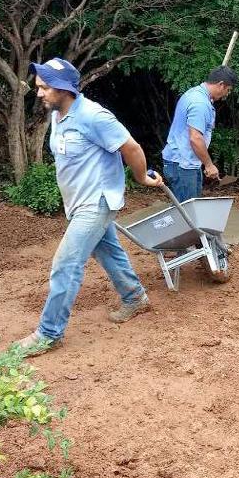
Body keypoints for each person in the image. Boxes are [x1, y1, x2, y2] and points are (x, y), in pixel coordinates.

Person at [15, 57, 162, 356]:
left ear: (65, 89)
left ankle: (49, 333)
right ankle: (134, 297)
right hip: (77, 202)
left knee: (66, 264)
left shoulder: (95, 117)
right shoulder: (56, 114)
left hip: (97, 202)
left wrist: (141, 179)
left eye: (45, 88)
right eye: (38, 87)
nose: (39, 93)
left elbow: (131, 148)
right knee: (107, 249)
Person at [162, 65, 237, 202]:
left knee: (190, 206)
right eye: (228, 89)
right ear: (221, 85)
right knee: (187, 212)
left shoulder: (197, 94)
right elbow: (195, 138)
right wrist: (208, 164)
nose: (227, 94)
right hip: (182, 164)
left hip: (185, 162)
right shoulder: (200, 103)